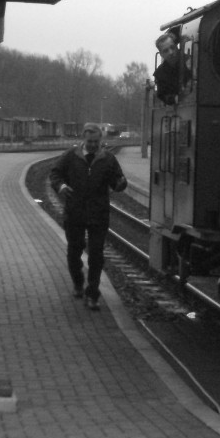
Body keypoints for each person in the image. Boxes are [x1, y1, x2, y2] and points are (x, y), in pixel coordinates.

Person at [49, 123, 128, 310]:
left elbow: (117, 180)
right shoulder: (71, 156)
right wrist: (60, 186)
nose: (93, 145)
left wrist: (120, 184)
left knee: (96, 255)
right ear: (83, 140)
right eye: (90, 141)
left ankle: (92, 293)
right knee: (74, 251)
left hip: (98, 214)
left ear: (100, 140)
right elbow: (55, 174)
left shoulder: (108, 159)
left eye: (96, 141)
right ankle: (78, 282)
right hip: (75, 212)